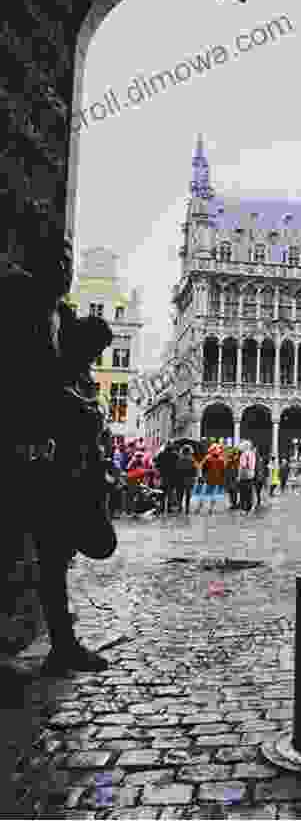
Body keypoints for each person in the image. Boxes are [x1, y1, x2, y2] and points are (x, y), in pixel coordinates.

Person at [3, 232, 115, 674]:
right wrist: (70, 402)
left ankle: (63, 644)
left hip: (49, 456)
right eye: (57, 260)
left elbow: (63, 370)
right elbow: (23, 377)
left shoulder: (57, 313)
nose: (65, 270)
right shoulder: (17, 302)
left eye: (68, 262)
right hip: (16, 447)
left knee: (53, 553)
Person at [174, 445, 197, 514]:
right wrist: (194, 478)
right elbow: (194, 470)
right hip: (189, 479)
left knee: (180, 493)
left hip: (180, 478)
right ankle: (187, 507)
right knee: (188, 494)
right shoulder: (192, 460)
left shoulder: (179, 459)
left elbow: (176, 469)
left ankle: (180, 506)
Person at [238, 439, 256, 514]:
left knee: (243, 493)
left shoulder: (244, 454)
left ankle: (243, 509)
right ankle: (249, 508)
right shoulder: (252, 454)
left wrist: (239, 476)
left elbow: (243, 466)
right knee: (249, 493)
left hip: (244, 476)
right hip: (251, 475)